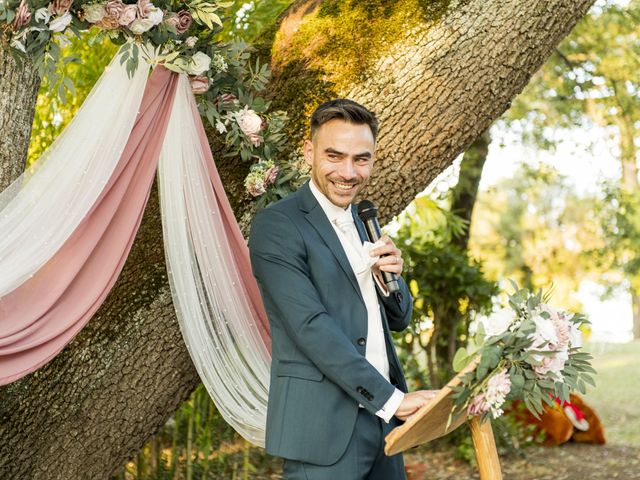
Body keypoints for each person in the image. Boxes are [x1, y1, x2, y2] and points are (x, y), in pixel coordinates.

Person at [249, 99, 437, 479]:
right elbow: (310, 327)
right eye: (334, 156)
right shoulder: (278, 225)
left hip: (383, 425)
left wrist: (392, 277)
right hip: (323, 429)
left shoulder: (364, 221)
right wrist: (393, 400)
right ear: (309, 151)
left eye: (361, 159)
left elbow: (399, 319)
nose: (348, 172)